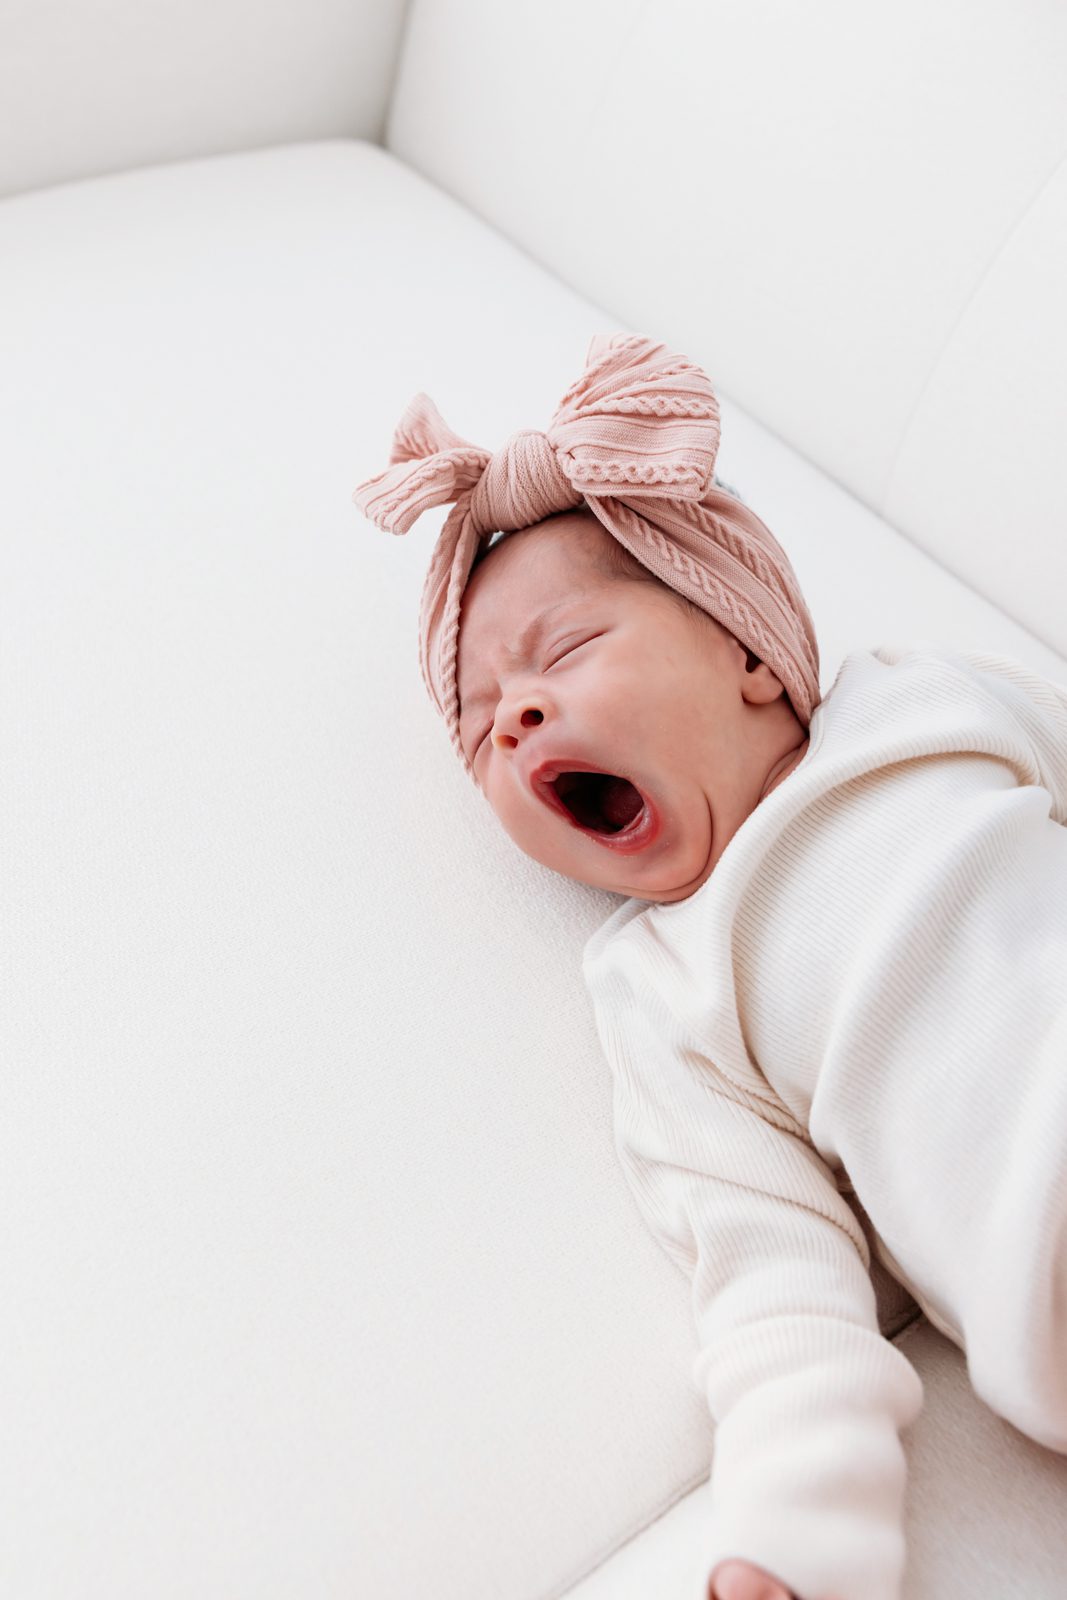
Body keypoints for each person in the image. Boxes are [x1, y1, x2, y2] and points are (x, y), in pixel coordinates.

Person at [353, 333, 1067, 1600]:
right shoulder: (664, 990)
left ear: (745, 650)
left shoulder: (920, 703)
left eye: (562, 651)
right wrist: (795, 1534)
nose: (513, 714)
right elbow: (772, 1288)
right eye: (481, 728)